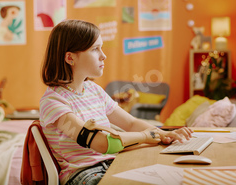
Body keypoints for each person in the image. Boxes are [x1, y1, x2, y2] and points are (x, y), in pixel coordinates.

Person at [39, 19, 193, 185]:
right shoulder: (53, 101)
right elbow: (100, 143)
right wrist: (146, 136)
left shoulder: (93, 90)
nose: (103, 55)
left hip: (113, 163)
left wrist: (164, 134)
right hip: (84, 174)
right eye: (95, 49)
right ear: (70, 58)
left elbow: (131, 123)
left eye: (101, 47)